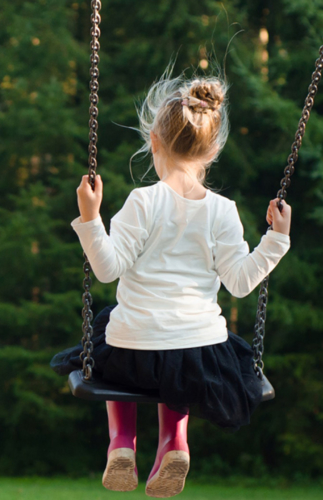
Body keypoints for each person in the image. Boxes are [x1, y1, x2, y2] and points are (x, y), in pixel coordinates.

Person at [50, 70, 291, 497]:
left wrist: (90, 218)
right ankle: (174, 443)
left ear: (154, 143)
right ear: (213, 149)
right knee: (180, 361)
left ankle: (122, 443)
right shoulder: (223, 210)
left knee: (111, 331)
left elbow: (106, 269)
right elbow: (239, 283)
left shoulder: (142, 201)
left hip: (133, 351)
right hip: (199, 354)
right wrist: (276, 240)